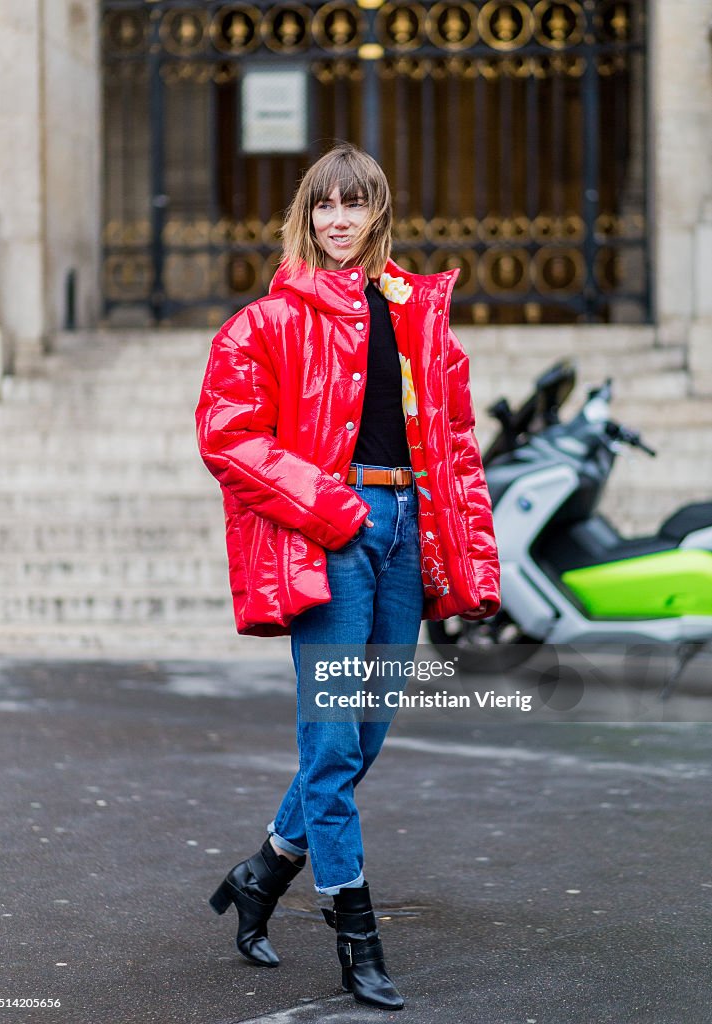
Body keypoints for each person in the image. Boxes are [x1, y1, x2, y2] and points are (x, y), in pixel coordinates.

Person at [195, 143, 500, 1010]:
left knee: (363, 737)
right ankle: (355, 936)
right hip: (333, 533)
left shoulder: (417, 314)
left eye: (353, 204)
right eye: (323, 205)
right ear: (306, 214)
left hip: (406, 530)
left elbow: (455, 446)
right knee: (330, 746)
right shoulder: (269, 320)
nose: (337, 220)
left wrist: (468, 550)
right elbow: (228, 436)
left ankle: (261, 875)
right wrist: (332, 509)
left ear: (376, 214)